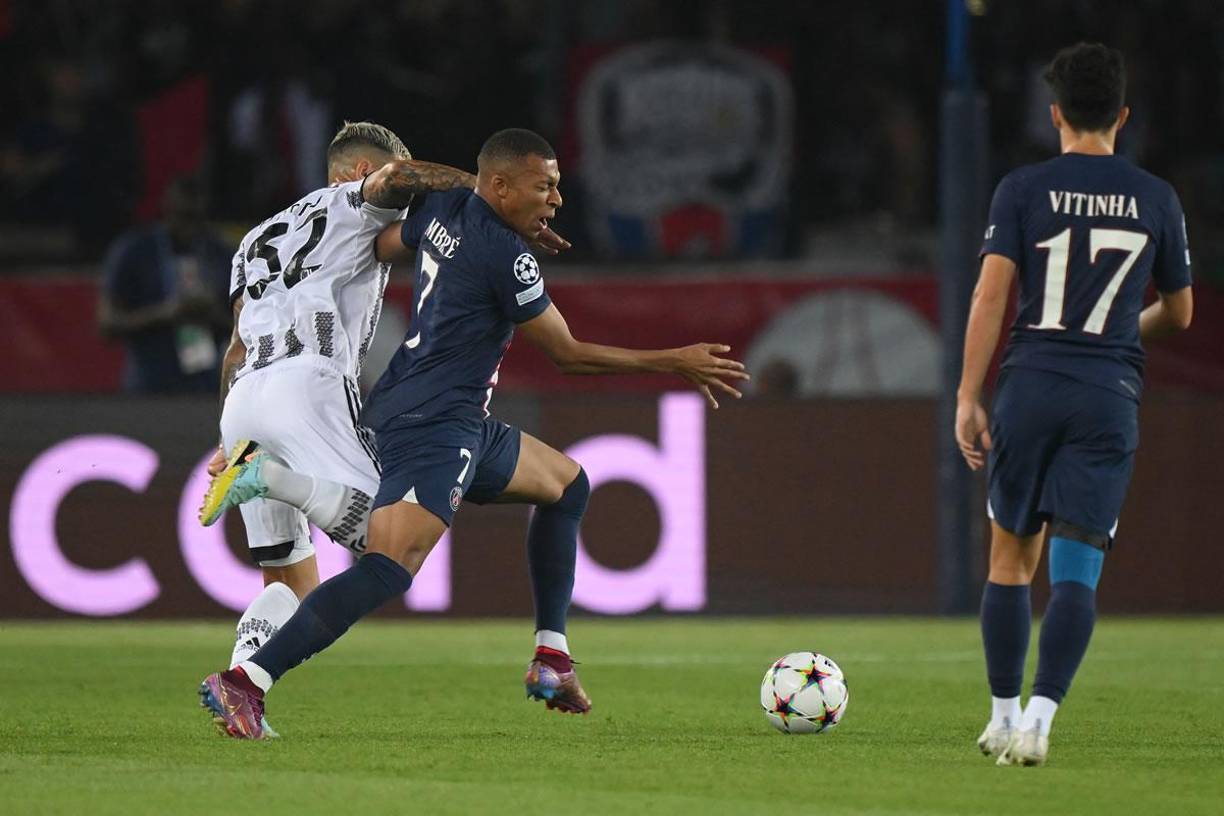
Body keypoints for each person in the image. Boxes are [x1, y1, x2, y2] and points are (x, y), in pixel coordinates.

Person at [198, 128, 749, 739]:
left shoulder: (424, 215)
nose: (557, 201)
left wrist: (463, 229)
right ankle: (246, 678)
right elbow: (567, 355)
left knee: (567, 485)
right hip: (424, 420)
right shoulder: (496, 249)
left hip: (376, 405)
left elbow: (383, 244)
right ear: (500, 184)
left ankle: (552, 656)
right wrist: (674, 361)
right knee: (383, 562)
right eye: (546, 186)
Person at [199, 120, 544, 737]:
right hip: (307, 385)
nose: (404, 203)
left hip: (245, 396)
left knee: (291, 581)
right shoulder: (347, 200)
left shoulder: (253, 239)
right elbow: (399, 178)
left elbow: (231, 349)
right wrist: (481, 195)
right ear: (357, 173)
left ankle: (240, 690)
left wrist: (228, 442)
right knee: (387, 546)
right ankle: (271, 477)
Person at [955, 43, 1193, 766]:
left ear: (1054, 113)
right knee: (1076, 569)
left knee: (1008, 559)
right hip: (1107, 395)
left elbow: (992, 295)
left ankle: (1000, 716)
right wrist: (1125, 329)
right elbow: (1179, 314)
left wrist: (968, 394)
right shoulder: (1157, 198)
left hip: (1030, 383)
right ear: (1123, 115)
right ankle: (1040, 722)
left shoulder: (1022, 188)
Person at [97, 175, 233, 393]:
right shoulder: (135, 252)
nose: (189, 226)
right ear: (167, 210)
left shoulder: (220, 254)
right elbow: (108, 323)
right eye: (183, 216)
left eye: (197, 218)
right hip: (149, 382)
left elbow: (249, 330)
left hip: (203, 382)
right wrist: (166, 313)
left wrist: (211, 314)